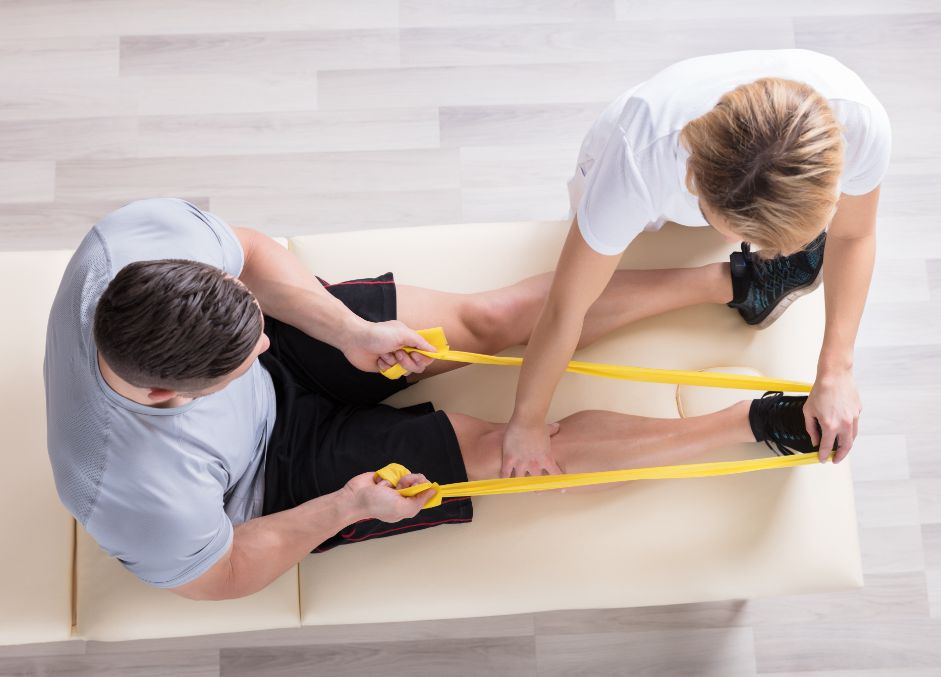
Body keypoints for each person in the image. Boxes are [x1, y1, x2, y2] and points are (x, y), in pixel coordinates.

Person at [45, 198, 820, 601]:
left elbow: (247, 251)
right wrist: (343, 509)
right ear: (158, 392)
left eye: (255, 334)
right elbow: (219, 573)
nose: (263, 350)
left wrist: (347, 330)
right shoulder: (128, 488)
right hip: (273, 477)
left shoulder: (137, 245)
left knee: (489, 319)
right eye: (242, 358)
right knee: (513, 450)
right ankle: (757, 420)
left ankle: (740, 283)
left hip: (306, 343)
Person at [502, 49, 890, 479]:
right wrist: (526, 422)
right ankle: (742, 281)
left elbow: (854, 234)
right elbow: (564, 309)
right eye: (719, 223)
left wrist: (837, 369)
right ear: (694, 183)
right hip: (637, 175)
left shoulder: (860, 124)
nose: (729, 241)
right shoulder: (635, 167)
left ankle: (746, 282)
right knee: (567, 297)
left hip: (739, 183)